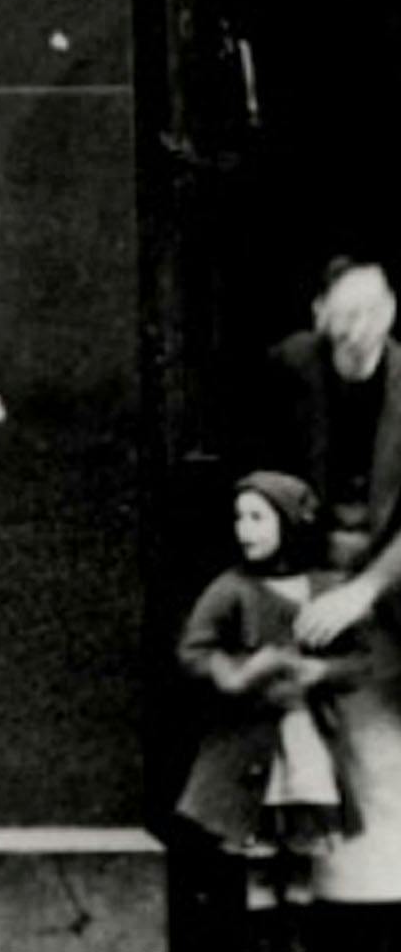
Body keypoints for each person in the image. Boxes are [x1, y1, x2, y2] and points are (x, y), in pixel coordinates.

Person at [252, 256, 401, 941]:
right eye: (343, 313)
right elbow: (258, 475)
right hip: (302, 583)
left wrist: (367, 588)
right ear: (320, 314)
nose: (356, 328)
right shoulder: (289, 368)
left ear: (392, 312)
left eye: (369, 311)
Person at [179, 471, 367, 934]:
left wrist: (321, 671)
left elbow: (360, 661)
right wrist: (241, 672)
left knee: (301, 848)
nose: (245, 529)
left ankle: (295, 935)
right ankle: (260, 936)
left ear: (289, 523)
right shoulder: (232, 588)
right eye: (240, 518)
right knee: (258, 851)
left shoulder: (326, 589)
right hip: (249, 745)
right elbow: (194, 652)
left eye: (258, 518)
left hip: (306, 741)